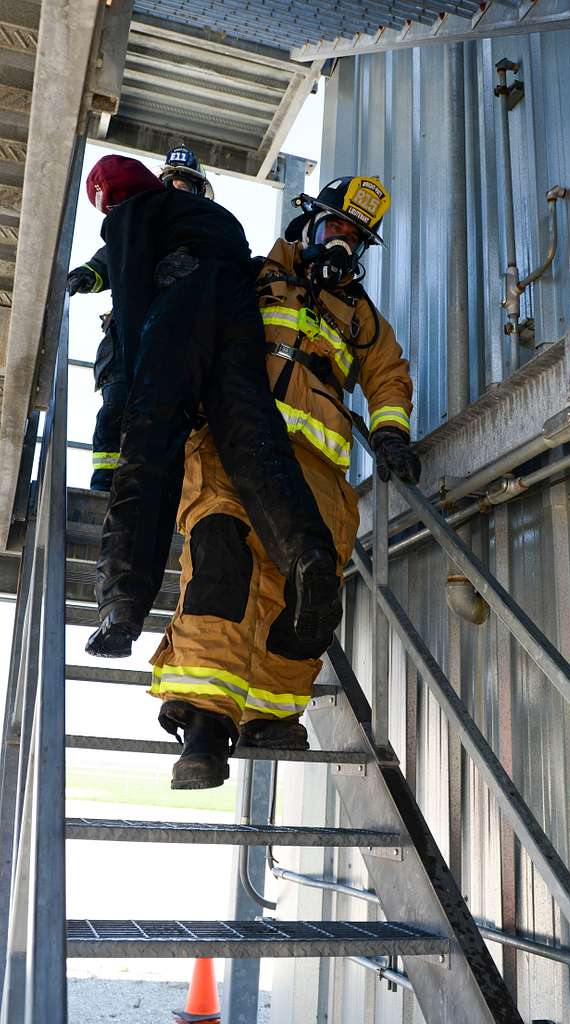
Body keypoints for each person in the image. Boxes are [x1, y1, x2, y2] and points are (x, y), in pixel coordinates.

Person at [149, 176, 421, 788]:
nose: (343, 246)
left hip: (320, 473)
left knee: (307, 593)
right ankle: (204, 728)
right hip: (230, 448)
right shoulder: (251, 275)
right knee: (222, 566)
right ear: (308, 225)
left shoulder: (359, 315)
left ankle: (270, 715)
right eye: (335, 229)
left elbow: (387, 376)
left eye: (356, 239)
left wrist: (391, 433)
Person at [83, 154, 342, 667]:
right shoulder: (221, 222)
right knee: (254, 440)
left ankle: (122, 604)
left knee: (150, 447)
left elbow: (131, 289)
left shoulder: (136, 211)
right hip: (236, 319)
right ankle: (307, 558)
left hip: (180, 311)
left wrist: (140, 381)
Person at [67, 146, 214, 491]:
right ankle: (104, 483)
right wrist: (88, 274)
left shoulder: (204, 231)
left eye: (185, 185)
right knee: (115, 408)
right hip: (123, 341)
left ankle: (154, 485)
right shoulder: (141, 221)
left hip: (174, 341)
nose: (176, 191)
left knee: (162, 418)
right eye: (171, 182)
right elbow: (112, 255)